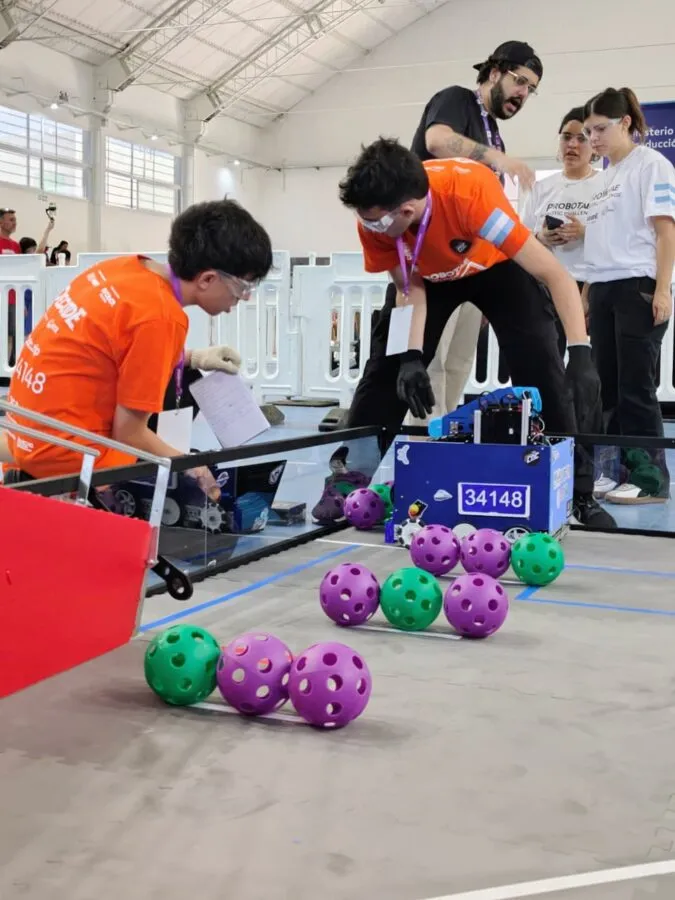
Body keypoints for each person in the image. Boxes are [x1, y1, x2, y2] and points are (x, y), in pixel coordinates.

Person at [324, 136, 616, 529]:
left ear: (407, 209)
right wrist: (410, 357)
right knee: (386, 370)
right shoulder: (376, 221)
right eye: (364, 218)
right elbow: (408, 286)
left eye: (375, 220)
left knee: (543, 370)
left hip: (495, 269)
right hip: (430, 279)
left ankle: (577, 493)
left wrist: (580, 352)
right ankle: (351, 480)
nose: (368, 226)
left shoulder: (471, 196)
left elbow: (553, 273)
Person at [2, 199, 273, 501]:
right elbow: (129, 434)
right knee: (177, 478)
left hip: (26, 432)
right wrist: (191, 466)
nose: (243, 299)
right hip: (66, 453)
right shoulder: (160, 316)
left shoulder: (124, 269)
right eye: (242, 288)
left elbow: (114, 349)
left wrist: (193, 357)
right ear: (208, 279)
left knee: (180, 383)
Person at [404, 40, 542, 426]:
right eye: (520, 81)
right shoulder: (458, 100)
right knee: (431, 359)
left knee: (459, 362)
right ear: (495, 72)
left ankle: (448, 433)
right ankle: (425, 442)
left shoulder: (493, 131)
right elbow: (436, 140)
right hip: (434, 257)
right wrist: (499, 159)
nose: (523, 94)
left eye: (531, 89)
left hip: (473, 262)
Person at [582, 87, 675, 505]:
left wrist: (662, 289)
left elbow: (665, 231)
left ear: (625, 123)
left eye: (600, 128)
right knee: (607, 386)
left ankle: (651, 478)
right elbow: (597, 241)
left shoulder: (651, 164)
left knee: (636, 388)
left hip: (637, 286)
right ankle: (613, 468)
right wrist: (585, 293)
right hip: (602, 287)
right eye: (587, 131)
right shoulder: (603, 178)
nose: (593, 138)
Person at [521, 107, 602, 357]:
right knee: (546, 364)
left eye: (581, 138)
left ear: (594, 145)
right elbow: (520, 239)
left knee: (594, 366)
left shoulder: (606, 184)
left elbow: (620, 237)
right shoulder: (541, 188)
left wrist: (585, 232)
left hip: (592, 285)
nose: (572, 145)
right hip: (547, 286)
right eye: (567, 137)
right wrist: (541, 238)